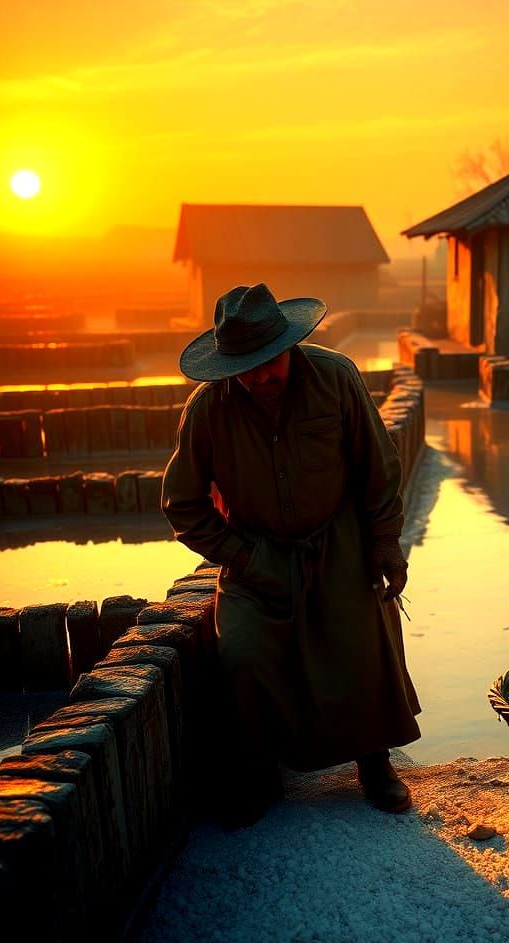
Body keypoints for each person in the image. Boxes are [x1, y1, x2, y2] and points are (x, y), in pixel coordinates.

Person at [161, 283, 421, 826]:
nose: (259, 378)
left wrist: (385, 545)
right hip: (253, 557)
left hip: (339, 541)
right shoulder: (207, 408)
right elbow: (182, 504)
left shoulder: (337, 378)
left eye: (268, 363)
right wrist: (242, 556)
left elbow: (380, 469)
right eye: (245, 368)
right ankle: (259, 773)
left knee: (361, 638)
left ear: (290, 345)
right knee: (244, 655)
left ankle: (374, 765)